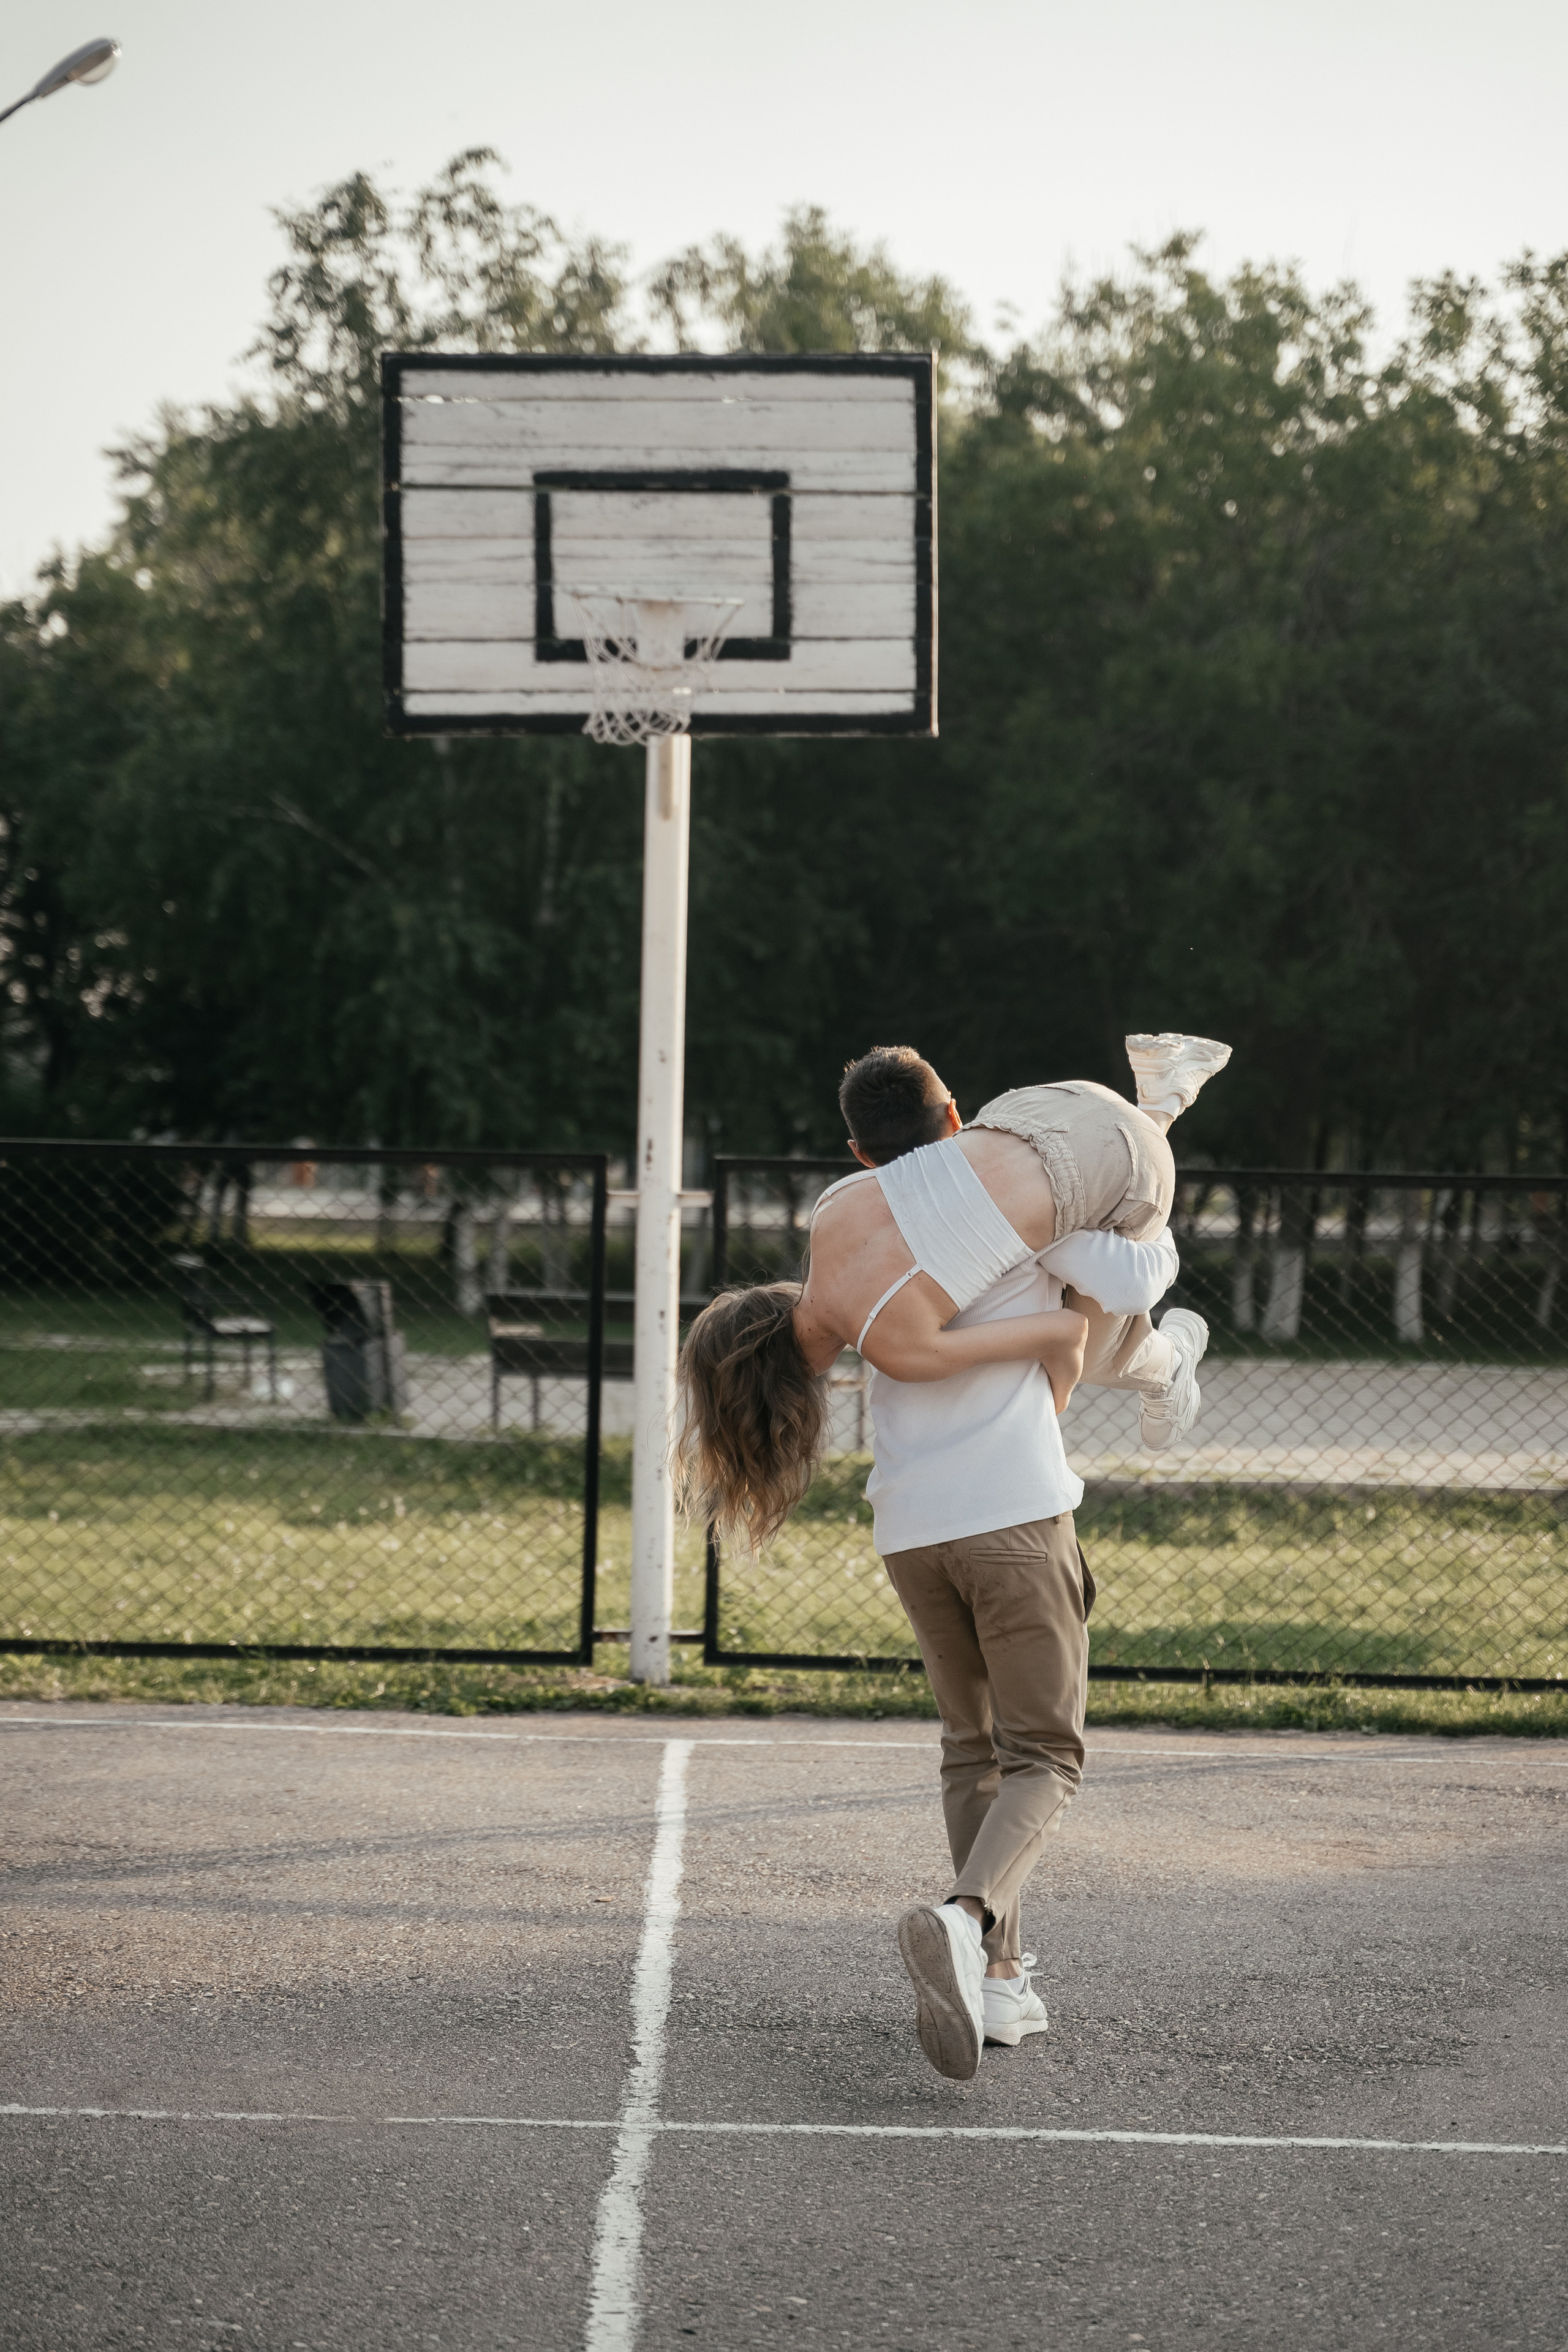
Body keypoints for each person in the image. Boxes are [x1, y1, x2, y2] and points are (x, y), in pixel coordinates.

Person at [676, 1032, 1231, 2082]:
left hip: (912, 1536)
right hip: (1014, 1522)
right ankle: (967, 1916)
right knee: (1048, 1757)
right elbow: (1082, 1319)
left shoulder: (869, 1287)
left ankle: (1003, 1983)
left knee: (971, 1750)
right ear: (951, 1125)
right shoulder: (934, 1245)